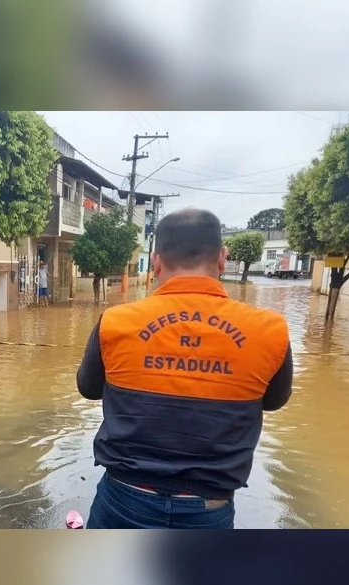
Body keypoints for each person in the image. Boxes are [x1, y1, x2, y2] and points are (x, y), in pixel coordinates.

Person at [76, 208, 293, 529]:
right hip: (209, 508)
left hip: (124, 499)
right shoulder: (270, 330)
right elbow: (273, 401)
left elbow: (89, 388)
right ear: (222, 258)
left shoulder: (115, 322)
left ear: (156, 261)